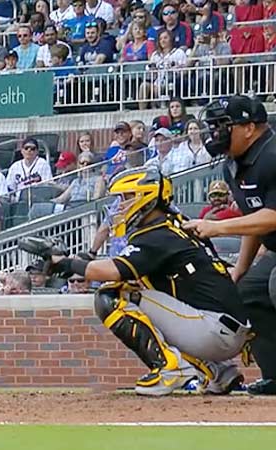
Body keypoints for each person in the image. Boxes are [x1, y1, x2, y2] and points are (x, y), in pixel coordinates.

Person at [48, 166, 250, 396]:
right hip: (224, 327)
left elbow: (113, 272)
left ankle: (170, 370)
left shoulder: (157, 234)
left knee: (111, 295)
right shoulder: (174, 223)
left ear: (146, 197)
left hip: (213, 329)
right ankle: (219, 371)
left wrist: (64, 263)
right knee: (140, 288)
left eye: (126, 198)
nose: (120, 205)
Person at [183, 96, 276, 395]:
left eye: (223, 125)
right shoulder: (233, 164)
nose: (215, 132)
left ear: (249, 127)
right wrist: (241, 269)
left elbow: (272, 217)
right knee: (248, 290)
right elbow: (254, 219)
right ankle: (274, 375)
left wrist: (217, 226)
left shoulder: (273, 155)